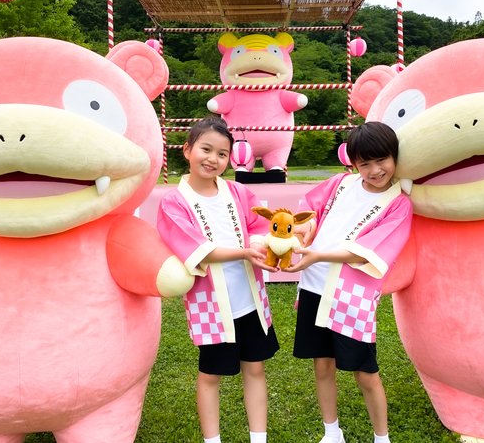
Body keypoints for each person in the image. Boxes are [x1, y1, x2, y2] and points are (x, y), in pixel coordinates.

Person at [285, 121, 413, 443]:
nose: (375, 170)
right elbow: (309, 211)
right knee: (322, 365)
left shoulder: (398, 204)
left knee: (365, 372)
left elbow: (369, 252)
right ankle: (332, 432)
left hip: (352, 297)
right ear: (353, 162)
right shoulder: (340, 184)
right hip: (314, 287)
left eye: (381, 160)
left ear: (394, 156)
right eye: (364, 163)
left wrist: (317, 255)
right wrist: (304, 230)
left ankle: (381, 438)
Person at [157, 116, 280, 443]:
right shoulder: (174, 202)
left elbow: (259, 226)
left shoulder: (237, 191)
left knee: (255, 368)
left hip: (250, 299)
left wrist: (260, 246)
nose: (213, 159)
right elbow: (195, 249)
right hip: (210, 305)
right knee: (211, 375)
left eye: (222, 154)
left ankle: (259, 439)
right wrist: (244, 252)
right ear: (187, 150)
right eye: (206, 149)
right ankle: (213, 440)